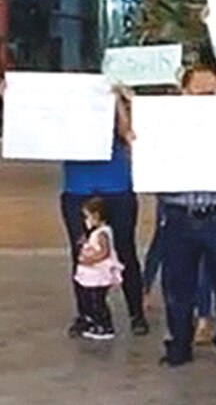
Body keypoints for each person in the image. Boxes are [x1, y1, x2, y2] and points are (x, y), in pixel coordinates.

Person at [159, 65, 216, 368]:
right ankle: (179, 345)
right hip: (179, 214)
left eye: (213, 92)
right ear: (184, 92)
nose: (206, 98)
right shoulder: (165, 124)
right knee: (177, 286)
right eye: (199, 92)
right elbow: (147, 155)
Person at [57, 90, 148, 338]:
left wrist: (118, 101)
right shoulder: (63, 107)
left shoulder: (114, 104)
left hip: (115, 186)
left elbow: (128, 134)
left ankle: (136, 312)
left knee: (125, 250)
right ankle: (89, 313)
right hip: (78, 187)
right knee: (82, 252)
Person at [73, 197, 125, 340]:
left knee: (98, 300)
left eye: (87, 217)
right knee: (93, 298)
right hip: (93, 274)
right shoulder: (95, 233)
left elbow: (104, 252)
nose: (85, 221)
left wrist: (90, 259)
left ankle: (104, 325)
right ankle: (96, 322)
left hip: (99, 274)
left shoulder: (102, 234)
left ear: (96, 216)